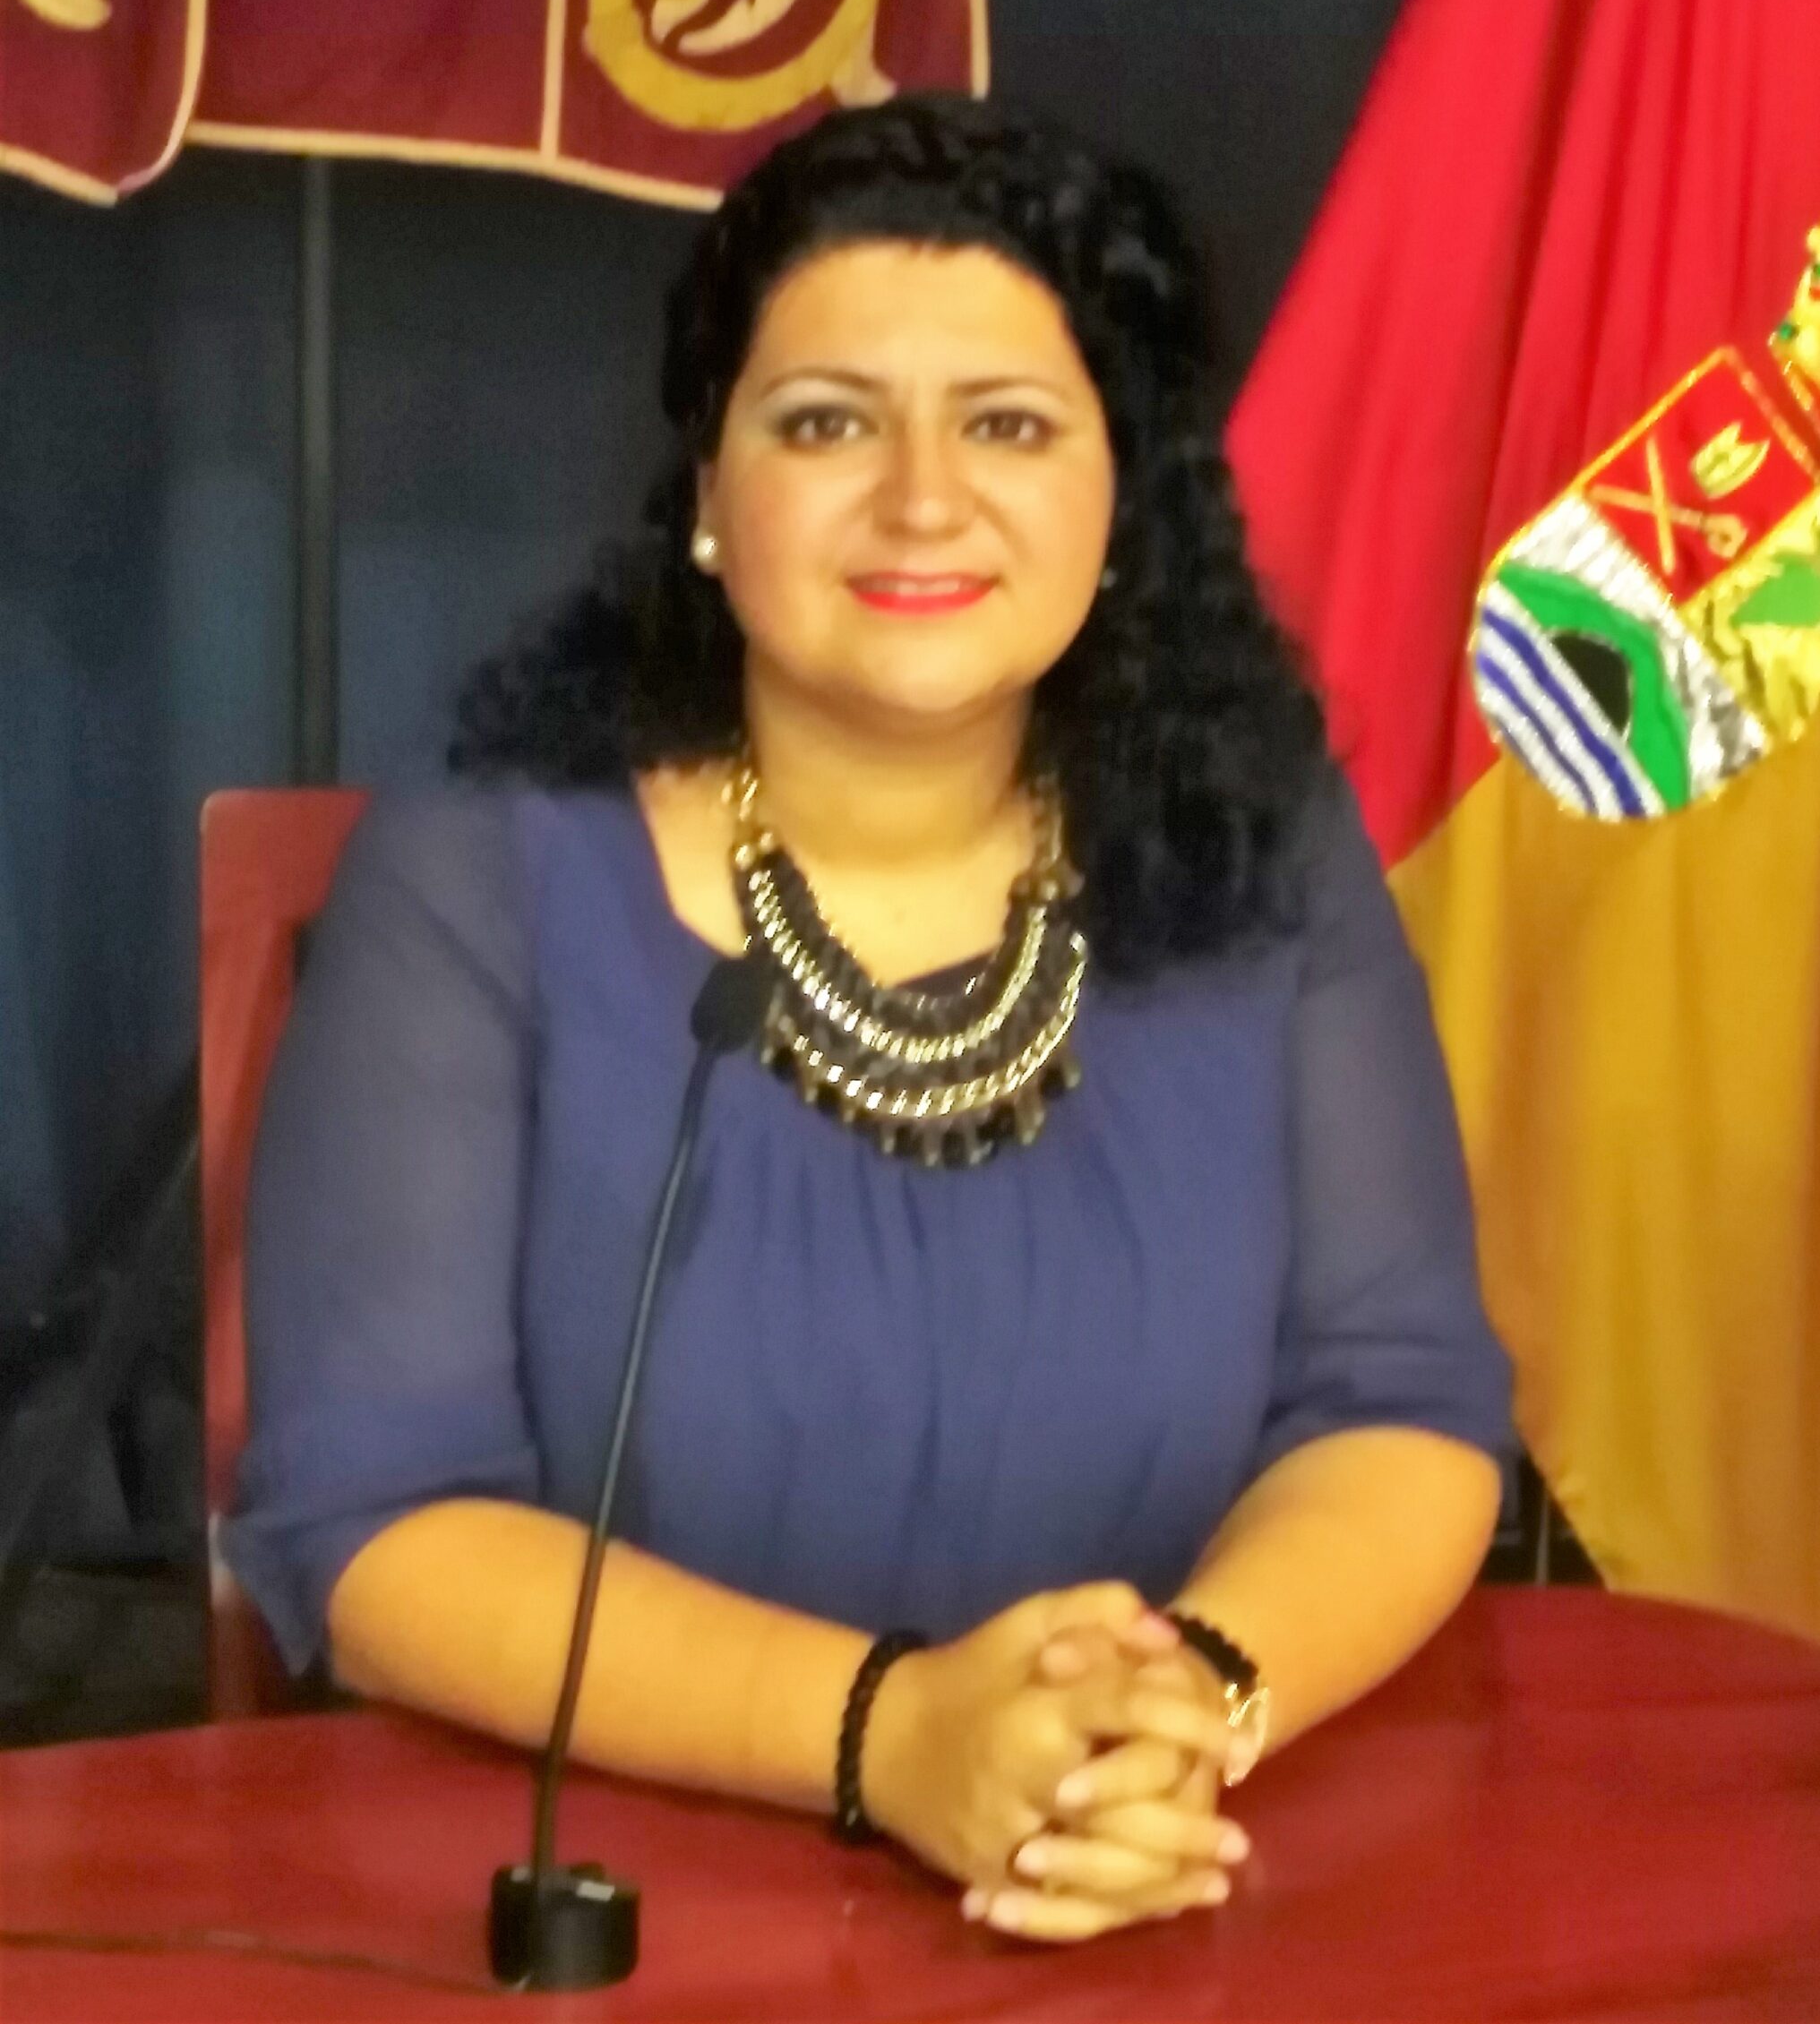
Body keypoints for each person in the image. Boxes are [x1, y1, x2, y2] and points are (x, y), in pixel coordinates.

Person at [224, 97, 1514, 1945]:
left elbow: (1398, 1406)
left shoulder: (1262, 850)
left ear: (1120, 499)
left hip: (1161, 1883)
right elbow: (374, 1521)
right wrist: (887, 1735)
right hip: (626, 1901)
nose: (921, 500)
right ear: (706, 492)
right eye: (827, 421)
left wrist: (1181, 1714)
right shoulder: (484, 867)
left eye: (1009, 425)